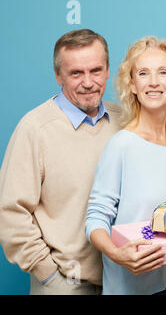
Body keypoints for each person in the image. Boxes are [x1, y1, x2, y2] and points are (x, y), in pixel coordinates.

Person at [0, 29, 121, 294]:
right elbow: (10, 212)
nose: (88, 82)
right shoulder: (35, 128)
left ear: (108, 70)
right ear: (58, 76)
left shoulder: (125, 120)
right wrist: (50, 276)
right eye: (76, 73)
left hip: (123, 280)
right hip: (65, 283)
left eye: (96, 71)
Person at [84, 36, 166, 295]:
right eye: (143, 73)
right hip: (132, 287)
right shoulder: (121, 146)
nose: (153, 82)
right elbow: (95, 218)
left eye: (163, 72)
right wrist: (117, 254)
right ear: (133, 86)